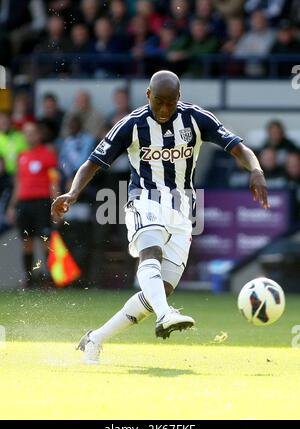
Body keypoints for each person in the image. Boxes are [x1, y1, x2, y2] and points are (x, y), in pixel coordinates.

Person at [51, 70, 269, 364]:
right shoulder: (131, 125)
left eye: (170, 103)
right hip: (144, 200)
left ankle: (95, 338)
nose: (165, 110)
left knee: (159, 291)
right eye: (159, 103)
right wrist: (73, 192)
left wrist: (256, 170)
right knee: (150, 254)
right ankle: (167, 314)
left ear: (179, 98)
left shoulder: (196, 119)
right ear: (148, 96)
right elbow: (93, 163)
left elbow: (238, 148)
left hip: (182, 211)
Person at [6, 122, 59, 287]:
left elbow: (53, 181)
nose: (29, 136)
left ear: (38, 135)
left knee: (45, 239)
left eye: (32, 132)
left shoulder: (47, 153)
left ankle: (49, 277)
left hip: (42, 202)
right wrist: (12, 206)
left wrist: (56, 203)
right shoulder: (21, 156)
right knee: (26, 241)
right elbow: (18, 183)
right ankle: (28, 278)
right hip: (24, 203)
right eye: (26, 133)